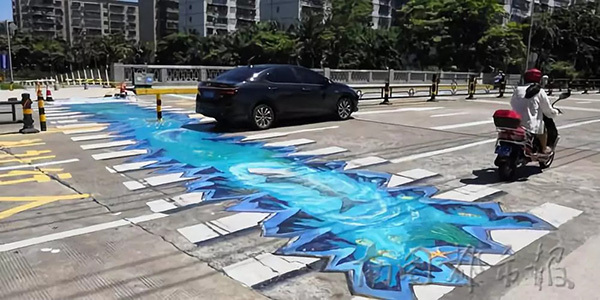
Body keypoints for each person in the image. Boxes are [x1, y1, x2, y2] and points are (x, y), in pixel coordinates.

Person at [510, 69, 560, 154]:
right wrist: (555, 112)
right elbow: (547, 110)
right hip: (529, 125)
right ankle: (544, 149)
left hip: (515, 122)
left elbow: (512, 102)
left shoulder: (518, 89)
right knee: (543, 128)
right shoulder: (540, 91)